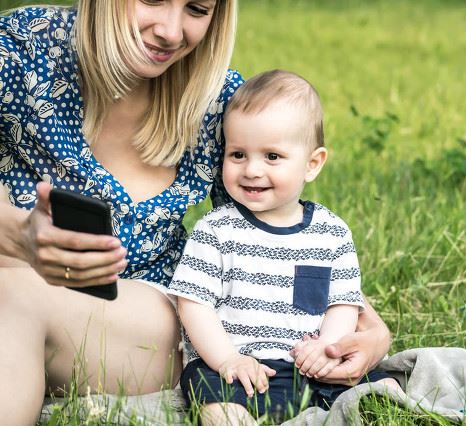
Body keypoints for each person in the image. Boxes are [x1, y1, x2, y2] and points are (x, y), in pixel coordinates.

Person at [0, 1, 391, 424]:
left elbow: (281, 238)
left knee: (16, 293)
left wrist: (372, 329)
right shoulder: (22, 49)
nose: (171, 31)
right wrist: (17, 233)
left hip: (135, 319)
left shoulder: (216, 102)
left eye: (197, 9)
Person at [168, 69, 401, 424]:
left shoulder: (331, 233)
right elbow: (194, 304)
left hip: (310, 366)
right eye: (238, 154)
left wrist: (329, 347)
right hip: (240, 367)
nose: (252, 170)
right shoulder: (216, 230)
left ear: (312, 164)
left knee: (380, 388)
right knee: (210, 391)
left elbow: (344, 304)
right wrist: (227, 359)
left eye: (272, 157)